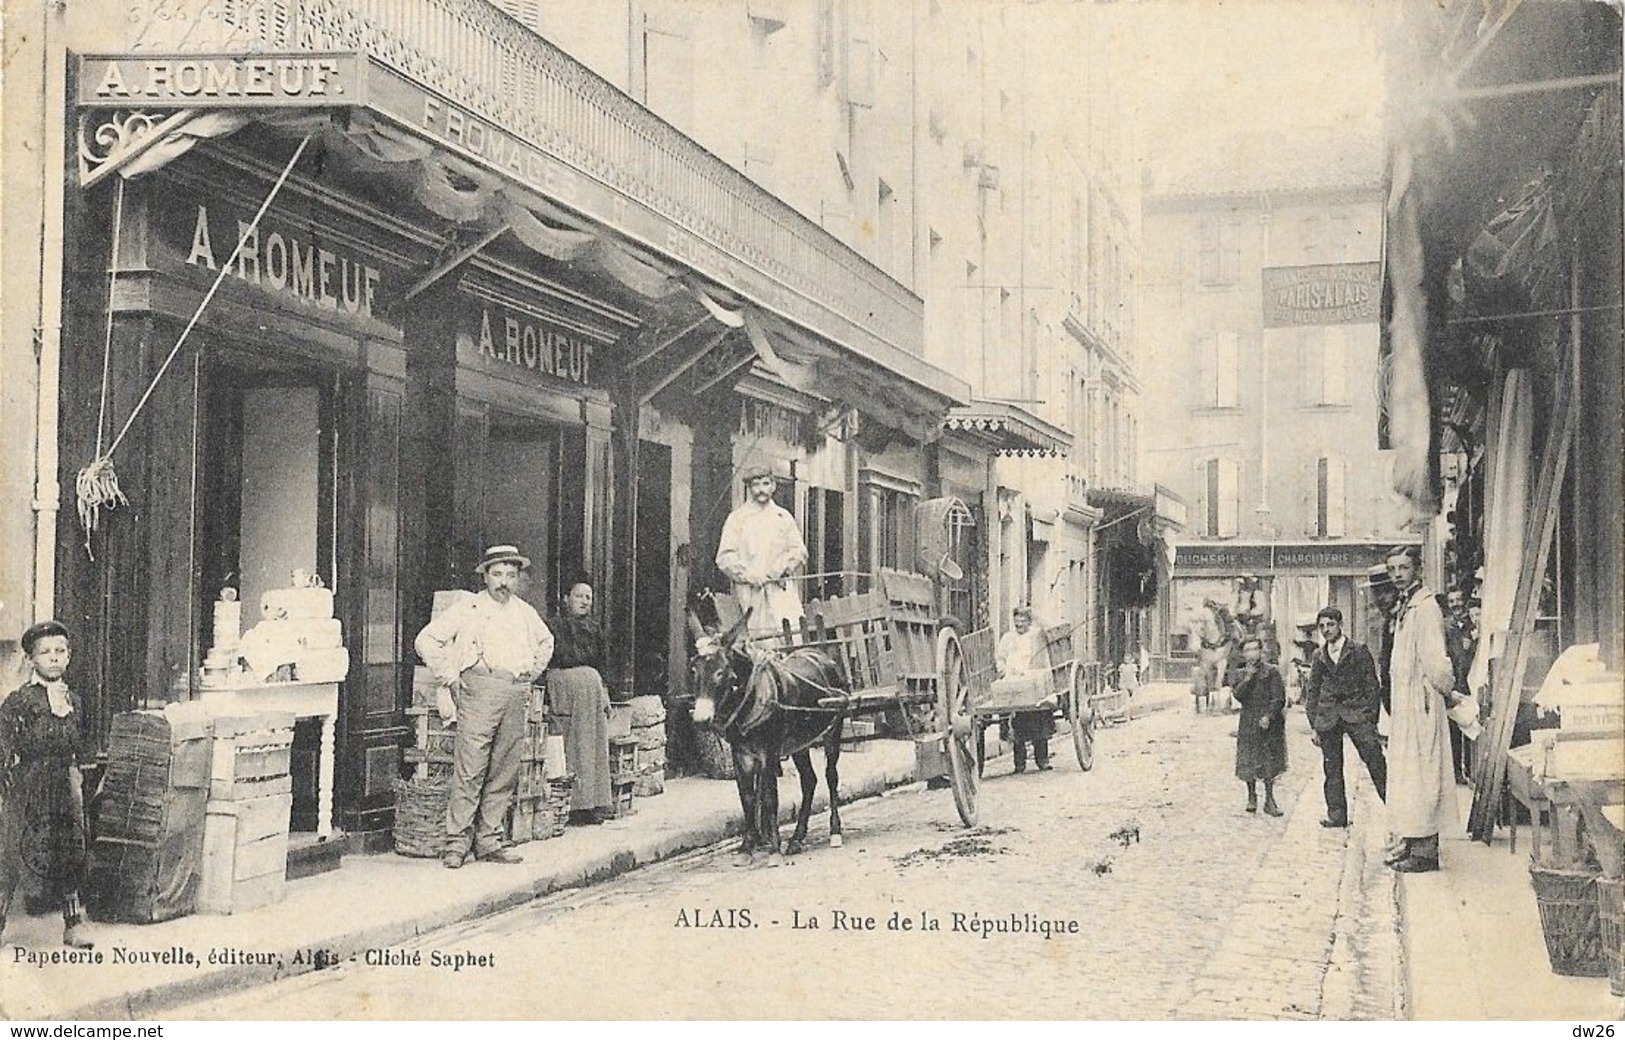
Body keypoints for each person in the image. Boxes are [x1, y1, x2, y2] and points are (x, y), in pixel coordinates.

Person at [416, 545, 555, 869]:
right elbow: (426, 639)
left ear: (517, 577)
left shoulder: (524, 612)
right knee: (471, 767)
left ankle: (489, 840)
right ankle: (456, 843)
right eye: (497, 574)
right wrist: (450, 676)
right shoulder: (469, 607)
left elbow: (546, 642)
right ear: (485, 576)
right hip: (478, 689)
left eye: (510, 574)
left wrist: (528, 675)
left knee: (504, 769)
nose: (503, 582)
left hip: (514, 692)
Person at [0, 620, 94, 949]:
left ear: (69, 657)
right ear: (31, 659)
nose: (54, 657)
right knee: (14, 851)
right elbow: (3, 746)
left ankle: (72, 926)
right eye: (45, 652)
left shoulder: (76, 701)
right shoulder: (19, 702)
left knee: (68, 852)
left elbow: (81, 743)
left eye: (60, 651)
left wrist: (81, 776)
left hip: (65, 783)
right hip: (30, 783)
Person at [1383, 546, 1459, 873]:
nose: (1398, 574)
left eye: (1404, 567)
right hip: (1406, 703)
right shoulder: (1406, 607)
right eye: (1392, 569)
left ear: (1418, 570)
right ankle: (1412, 840)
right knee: (1408, 775)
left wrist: (1447, 690)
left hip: (1422, 703)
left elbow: (1436, 660)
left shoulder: (1426, 608)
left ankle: (1426, 851)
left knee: (1424, 773)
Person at [1303, 606, 1387, 829]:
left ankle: (1394, 808)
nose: (1326, 630)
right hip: (1329, 717)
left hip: (1357, 714)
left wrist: (1371, 719)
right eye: (1322, 626)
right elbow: (1313, 691)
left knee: (1375, 760)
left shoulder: (1358, 651)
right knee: (1331, 767)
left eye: (1330, 625)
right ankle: (1337, 814)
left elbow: (1372, 686)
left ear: (1340, 625)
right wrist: (1315, 724)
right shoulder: (1319, 655)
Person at [548, 577, 614, 825]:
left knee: (593, 743)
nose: (585, 601)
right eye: (579, 596)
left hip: (591, 693)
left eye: (588, 597)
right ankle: (574, 804)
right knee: (574, 743)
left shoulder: (595, 629)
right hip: (566, 690)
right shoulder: (554, 626)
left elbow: (601, 664)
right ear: (566, 599)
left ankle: (593, 802)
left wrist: (604, 690)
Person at [715, 464, 807, 637]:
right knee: (759, 641)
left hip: (781, 592)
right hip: (751, 594)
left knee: (791, 637)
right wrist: (751, 575)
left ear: (773, 486)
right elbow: (724, 558)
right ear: (749, 488)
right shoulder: (737, 519)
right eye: (755, 486)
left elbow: (799, 550)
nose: (760, 490)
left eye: (765, 484)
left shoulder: (783, 517)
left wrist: (780, 568)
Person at [1231, 635, 1286, 816]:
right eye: (1247, 650)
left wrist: (1269, 716)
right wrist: (1248, 677)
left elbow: (1279, 698)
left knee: (1268, 760)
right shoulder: (1240, 673)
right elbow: (1238, 696)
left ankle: (1270, 799)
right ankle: (1251, 796)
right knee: (1248, 759)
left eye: (1255, 649)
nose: (1251, 653)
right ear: (1243, 654)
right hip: (1248, 720)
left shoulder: (1271, 672)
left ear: (1261, 651)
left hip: (1268, 721)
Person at [993, 606, 1053, 773]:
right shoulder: (1008, 638)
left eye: (1023, 621)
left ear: (1029, 621)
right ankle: (1019, 763)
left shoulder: (1036, 634)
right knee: (1018, 723)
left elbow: (1050, 629)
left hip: (1033, 679)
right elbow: (1000, 658)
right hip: (1014, 681)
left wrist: (1036, 615)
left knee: (1039, 720)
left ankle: (1042, 760)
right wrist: (1002, 669)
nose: (1019, 624)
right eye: (1017, 621)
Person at [1442, 587, 1477, 785]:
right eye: (1452, 601)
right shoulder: (1446, 627)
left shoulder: (1473, 625)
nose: (1456, 604)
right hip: (1454, 684)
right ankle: (1456, 772)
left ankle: (1471, 771)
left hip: (1470, 683)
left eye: (1458, 600)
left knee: (1471, 727)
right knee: (1453, 731)